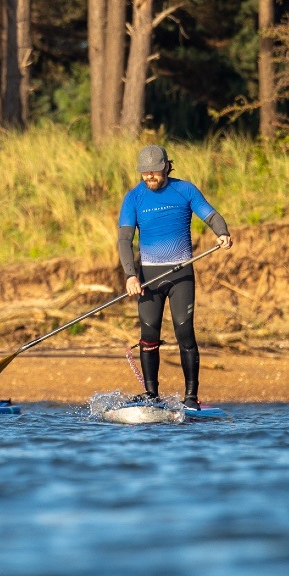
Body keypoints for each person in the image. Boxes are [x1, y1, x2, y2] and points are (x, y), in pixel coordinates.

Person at [118, 145, 232, 409]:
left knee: (185, 333)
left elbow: (211, 215)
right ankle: (151, 395)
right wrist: (130, 276)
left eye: (154, 172)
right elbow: (125, 239)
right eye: (144, 173)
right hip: (148, 278)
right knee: (148, 335)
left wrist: (222, 232)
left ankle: (191, 398)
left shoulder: (185, 190)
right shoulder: (134, 198)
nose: (149, 177)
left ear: (166, 167)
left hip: (181, 274)